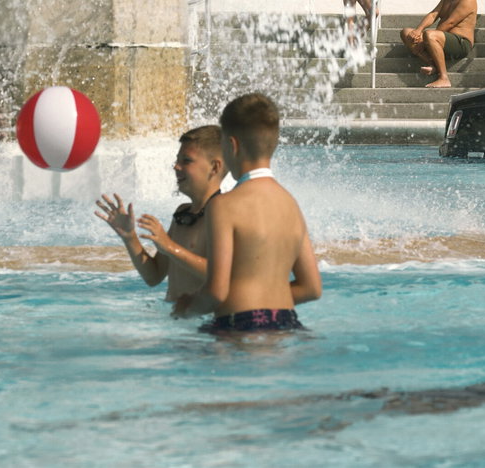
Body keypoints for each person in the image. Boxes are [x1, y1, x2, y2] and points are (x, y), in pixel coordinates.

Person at [174, 93, 322, 332]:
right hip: (287, 322)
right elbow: (311, 288)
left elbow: (216, 292)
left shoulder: (223, 206)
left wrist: (186, 308)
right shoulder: (291, 204)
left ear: (232, 146)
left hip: (239, 325)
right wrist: (265, 304)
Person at [95, 125, 226, 304]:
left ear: (214, 167)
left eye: (186, 161)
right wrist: (129, 237)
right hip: (176, 316)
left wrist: (170, 247)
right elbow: (154, 276)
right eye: (177, 160)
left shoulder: (224, 215)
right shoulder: (182, 214)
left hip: (205, 319)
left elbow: (224, 276)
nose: (176, 166)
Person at [400, 0, 478, 89]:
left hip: (461, 43)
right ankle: (432, 64)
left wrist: (425, 41)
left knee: (430, 34)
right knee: (406, 33)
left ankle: (444, 78)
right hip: (440, 39)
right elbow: (433, 15)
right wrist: (418, 30)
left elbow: (450, 23)